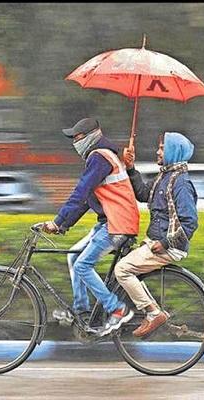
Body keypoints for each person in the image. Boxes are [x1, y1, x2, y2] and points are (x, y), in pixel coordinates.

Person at [42, 117, 139, 336]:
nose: (75, 143)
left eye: (77, 138)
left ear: (91, 137)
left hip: (118, 224)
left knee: (82, 265)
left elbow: (80, 192)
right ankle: (82, 313)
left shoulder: (100, 157)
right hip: (110, 221)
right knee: (73, 257)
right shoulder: (102, 157)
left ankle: (117, 309)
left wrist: (57, 220)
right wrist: (62, 225)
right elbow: (86, 201)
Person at [115, 131, 198, 337]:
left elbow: (190, 223)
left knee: (122, 269)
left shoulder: (181, 183)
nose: (158, 151)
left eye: (162, 148)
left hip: (167, 247)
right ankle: (151, 309)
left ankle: (153, 313)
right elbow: (143, 194)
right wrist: (131, 167)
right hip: (154, 242)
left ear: (173, 151)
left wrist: (165, 243)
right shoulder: (165, 176)